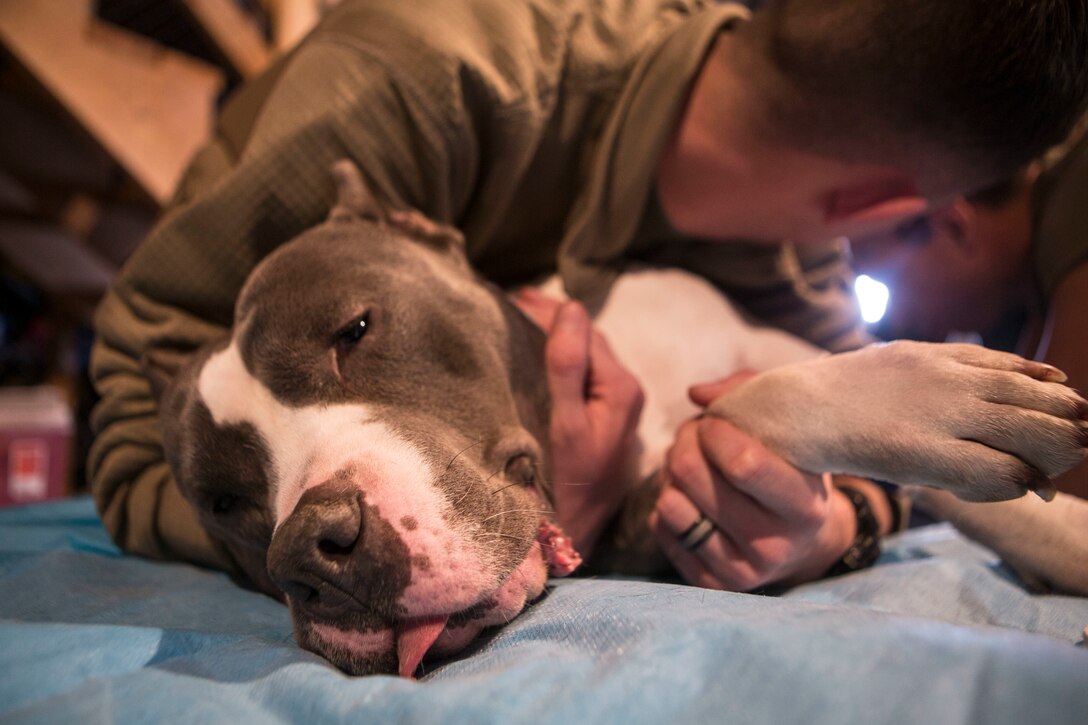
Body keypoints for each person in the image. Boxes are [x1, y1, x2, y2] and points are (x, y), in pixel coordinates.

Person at [89, 0, 1088, 592]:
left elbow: (867, 442)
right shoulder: (422, 78)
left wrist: (841, 524)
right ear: (890, 201)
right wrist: (535, 502)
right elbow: (137, 447)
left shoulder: (793, 262)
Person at [850, 118, 1088, 500]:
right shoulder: (1032, 286)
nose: (897, 323)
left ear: (955, 226)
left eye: (886, 283)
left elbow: (1065, 486)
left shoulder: (1076, 202)